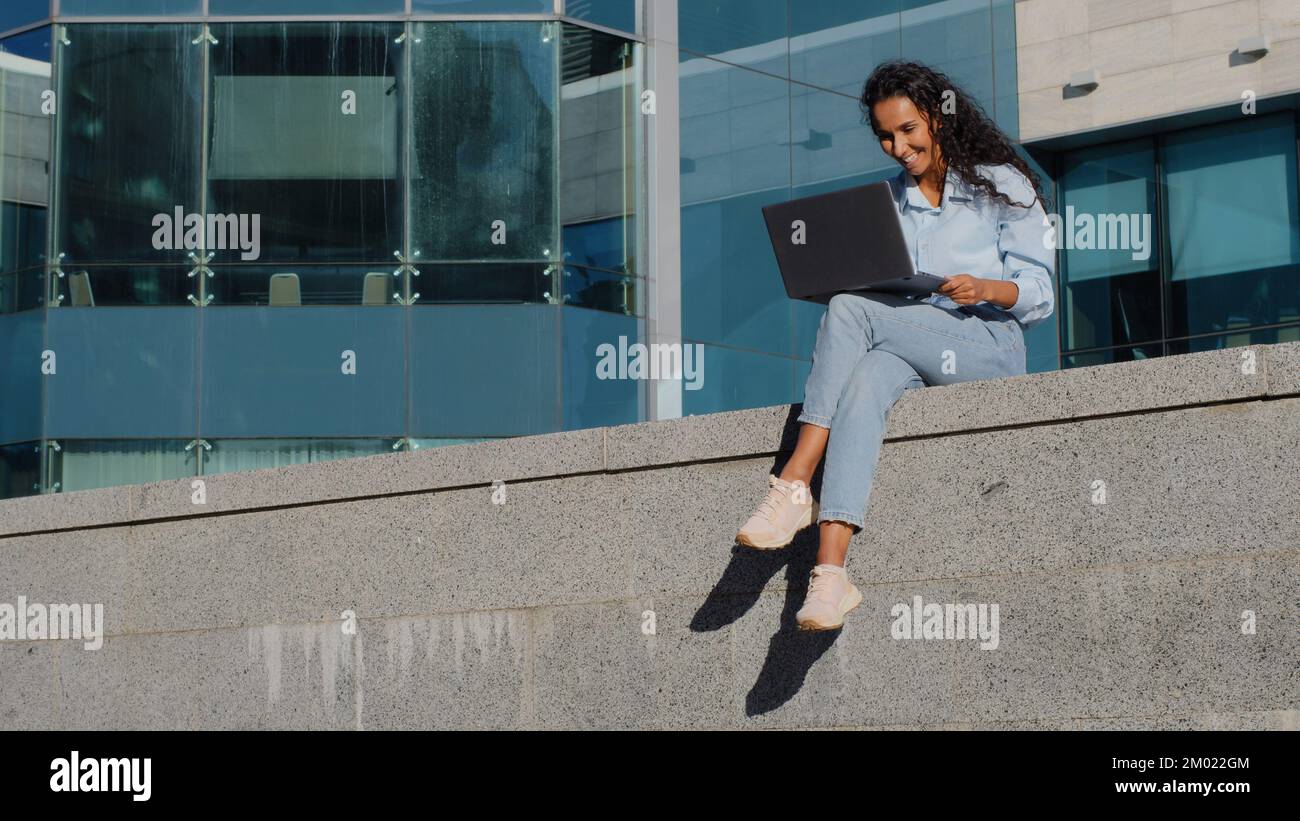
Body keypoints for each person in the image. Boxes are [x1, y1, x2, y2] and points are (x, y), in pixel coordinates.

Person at [736, 60, 1056, 631]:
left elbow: (1040, 293)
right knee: (866, 381)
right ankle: (831, 576)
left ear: (938, 115)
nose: (898, 146)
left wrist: (986, 287)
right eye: (885, 136)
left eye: (908, 130)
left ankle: (794, 483)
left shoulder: (1001, 181)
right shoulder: (886, 203)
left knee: (849, 308)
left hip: (989, 341)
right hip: (911, 343)